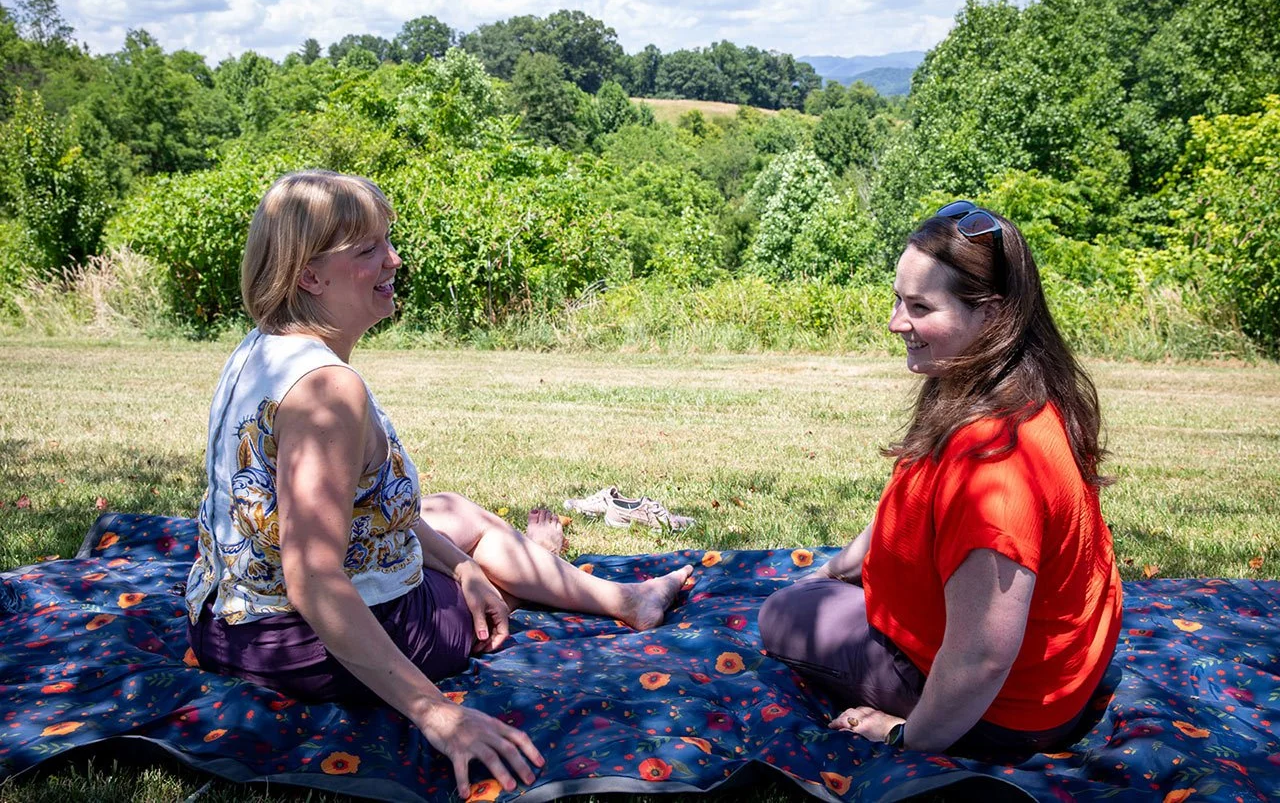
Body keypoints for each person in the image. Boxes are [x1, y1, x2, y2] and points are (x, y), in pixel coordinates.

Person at [183, 170, 693, 798]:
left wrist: (458, 565)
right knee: (476, 582)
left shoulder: (261, 350)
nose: (394, 259)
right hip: (301, 643)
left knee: (451, 514)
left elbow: (373, 512)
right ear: (308, 276)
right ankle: (549, 576)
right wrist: (438, 714)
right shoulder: (327, 391)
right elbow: (312, 579)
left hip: (222, 620)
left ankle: (590, 590)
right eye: (368, 249)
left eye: (387, 241)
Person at [759, 200, 1122, 757]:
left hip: (1007, 710)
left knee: (783, 613)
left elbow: (983, 657)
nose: (896, 322)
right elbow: (905, 509)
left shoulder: (994, 473)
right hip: (1057, 674)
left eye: (920, 306)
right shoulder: (999, 383)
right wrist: (838, 571)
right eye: (898, 299)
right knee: (813, 593)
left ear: (992, 314)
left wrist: (906, 735)